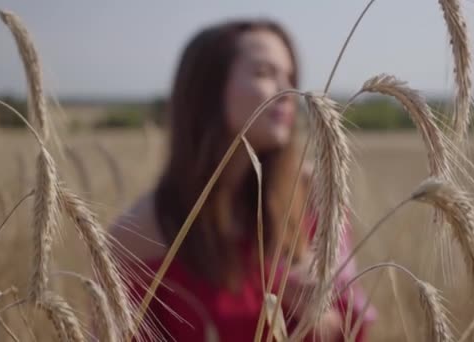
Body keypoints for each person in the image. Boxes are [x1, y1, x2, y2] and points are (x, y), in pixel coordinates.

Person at [110, 18, 374, 341]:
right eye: (264, 73)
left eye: (290, 76)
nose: (288, 91)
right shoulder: (138, 234)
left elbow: (351, 330)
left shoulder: (313, 195)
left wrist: (313, 312)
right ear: (207, 89)